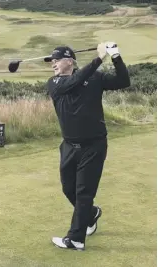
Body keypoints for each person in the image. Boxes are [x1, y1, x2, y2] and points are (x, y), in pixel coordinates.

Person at [46, 42, 130, 250]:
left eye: (56, 60)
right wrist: (98, 59)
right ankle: (91, 214)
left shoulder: (95, 78)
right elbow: (73, 82)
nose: (53, 64)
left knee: (84, 193)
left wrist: (115, 56)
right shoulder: (54, 83)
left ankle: (75, 238)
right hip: (68, 146)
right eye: (51, 61)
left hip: (94, 145)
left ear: (70, 61)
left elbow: (123, 81)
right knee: (69, 189)